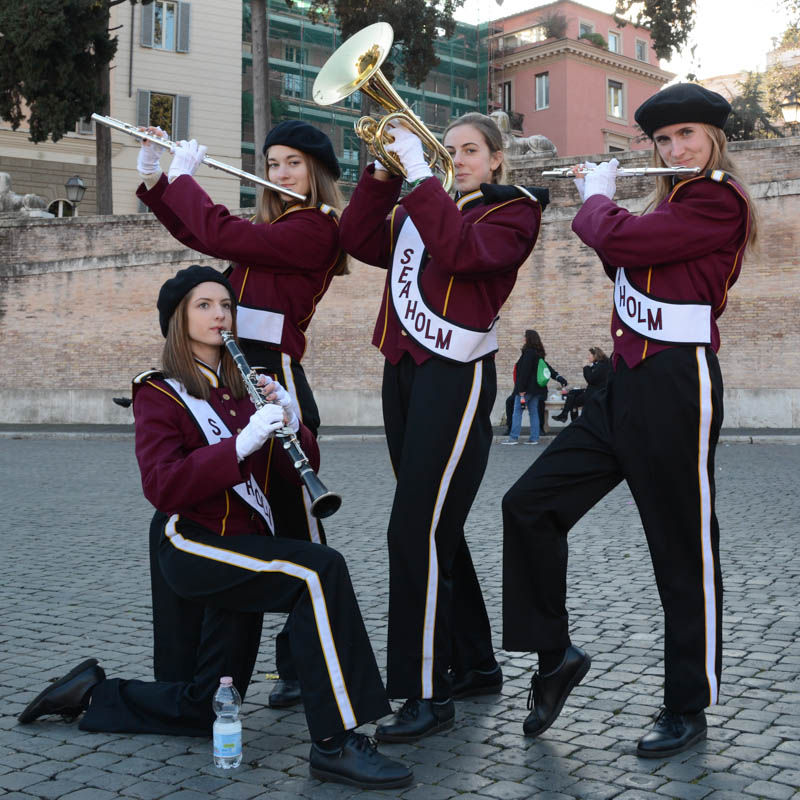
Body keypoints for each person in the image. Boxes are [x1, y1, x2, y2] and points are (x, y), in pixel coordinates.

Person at [17, 265, 413, 790]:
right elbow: (163, 486)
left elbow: (285, 472)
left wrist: (292, 423)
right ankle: (336, 742)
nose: (219, 314)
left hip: (240, 546)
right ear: (178, 320)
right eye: (204, 305)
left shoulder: (242, 389)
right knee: (318, 573)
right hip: (192, 542)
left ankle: (91, 693)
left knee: (208, 704)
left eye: (225, 305)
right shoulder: (160, 394)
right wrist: (240, 444)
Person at [502, 84, 756, 758]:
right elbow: (621, 251)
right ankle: (554, 656)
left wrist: (595, 198)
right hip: (622, 386)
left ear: (713, 141)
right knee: (528, 504)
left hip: (678, 385)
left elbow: (615, 235)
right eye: (664, 141)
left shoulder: (718, 199)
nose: (673, 150)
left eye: (686, 138)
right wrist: (604, 208)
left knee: (681, 551)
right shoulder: (666, 201)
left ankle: (686, 706)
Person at [339, 113, 545, 741]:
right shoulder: (418, 206)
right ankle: (476, 663)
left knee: (414, 529)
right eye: (448, 149)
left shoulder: (513, 212)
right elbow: (355, 238)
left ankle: (426, 693)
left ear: (498, 160)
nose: (458, 158)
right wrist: (381, 169)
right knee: (438, 527)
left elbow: (459, 252)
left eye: (471, 151)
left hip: (455, 375)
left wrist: (423, 174)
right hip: (402, 369)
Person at [135, 120, 347, 708]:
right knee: (251, 509)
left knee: (295, 522)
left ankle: (307, 666)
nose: (279, 173)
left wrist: (185, 181)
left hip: (271, 372)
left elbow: (219, 236)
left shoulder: (315, 229)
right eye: (274, 162)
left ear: (317, 173)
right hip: (235, 367)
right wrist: (158, 178)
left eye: (293, 164)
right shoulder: (273, 227)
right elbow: (210, 251)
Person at [502, 329, 567, 445]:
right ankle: (534, 438)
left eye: (525, 336)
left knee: (517, 412)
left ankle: (513, 438)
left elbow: (524, 372)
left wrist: (521, 389)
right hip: (537, 390)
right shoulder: (538, 353)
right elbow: (547, 368)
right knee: (534, 413)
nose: (523, 338)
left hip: (526, 390)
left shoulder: (528, 353)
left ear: (528, 339)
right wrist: (558, 377)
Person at [552, 346, 610, 423]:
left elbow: (590, 379)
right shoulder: (601, 364)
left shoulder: (602, 366)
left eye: (589, 355)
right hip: (593, 391)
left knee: (573, 402)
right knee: (571, 393)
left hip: (595, 394)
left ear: (595, 355)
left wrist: (586, 367)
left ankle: (571, 421)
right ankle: (564, 415)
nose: (588, 357)